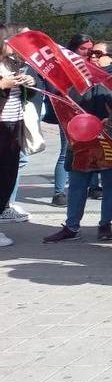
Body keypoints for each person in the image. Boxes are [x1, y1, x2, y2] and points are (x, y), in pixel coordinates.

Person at [42, 41, 112, 244]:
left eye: (98, 53)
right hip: (81, 136)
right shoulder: (80, 73)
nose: (93, 56)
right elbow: (68, 99)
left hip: (108, 137)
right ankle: (71, 226)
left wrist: (101, 81)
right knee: (78, 181)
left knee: (109, 184)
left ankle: (105, 224)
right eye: (90, 53)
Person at [46, 34, 94, 208]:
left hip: (88, 112)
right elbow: (54, 89)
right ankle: (59, 192)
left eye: (90, 50)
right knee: (66, 151)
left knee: (91, 148)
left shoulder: (90, 63)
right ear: (73, 48)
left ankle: (93, 186)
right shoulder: (62, 64)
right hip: (67, 113)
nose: (87, 53)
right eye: (83, 49)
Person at [0, 27, 36, 248]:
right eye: (7, 40)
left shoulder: (12, 63)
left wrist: (28, 84)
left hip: (14, 125)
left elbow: (24, 94)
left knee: (8, 176)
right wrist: (3, 84)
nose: (12, 44)